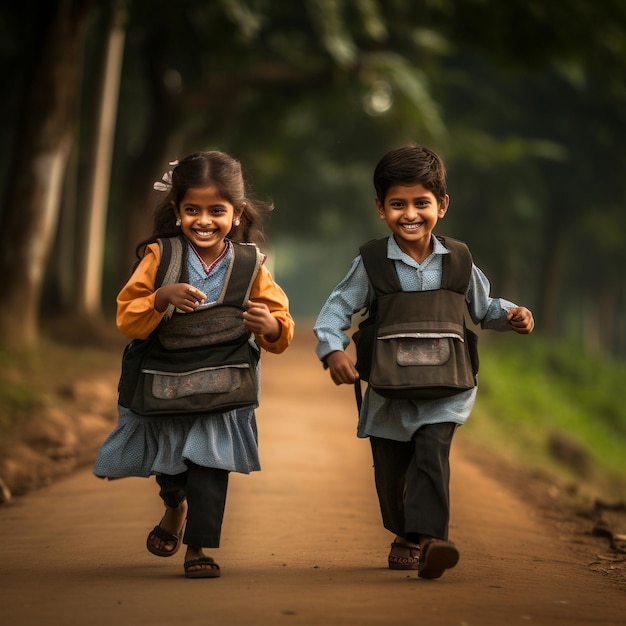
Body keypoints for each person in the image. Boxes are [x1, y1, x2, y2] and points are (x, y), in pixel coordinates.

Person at [313, 144, 534, 580]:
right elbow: (336, 310)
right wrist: (333, 350)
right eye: (398, 204)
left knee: (432, 453)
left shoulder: (459, 261)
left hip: (446, 386)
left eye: (421, 203)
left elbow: (484, 308)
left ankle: (431, 540)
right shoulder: (372, 262)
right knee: (392, 473)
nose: (410, 214)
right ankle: (405, 534)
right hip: (388, 391)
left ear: (442, 206)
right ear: (381, 207)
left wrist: (513, 315)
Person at [94, 150, 294, 578]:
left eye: (216, 211)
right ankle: (174, 507)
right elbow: (127, 318)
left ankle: (199, 548)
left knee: (209, 466)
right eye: (193, 210)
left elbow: (280, 326)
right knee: (171, 470)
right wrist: (161, 298)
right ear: (176, 210)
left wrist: (271, 326)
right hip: (165, 384)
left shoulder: (250, 263)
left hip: (222, 387)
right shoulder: (159, 257)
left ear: (237, 212)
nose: (204, 220)